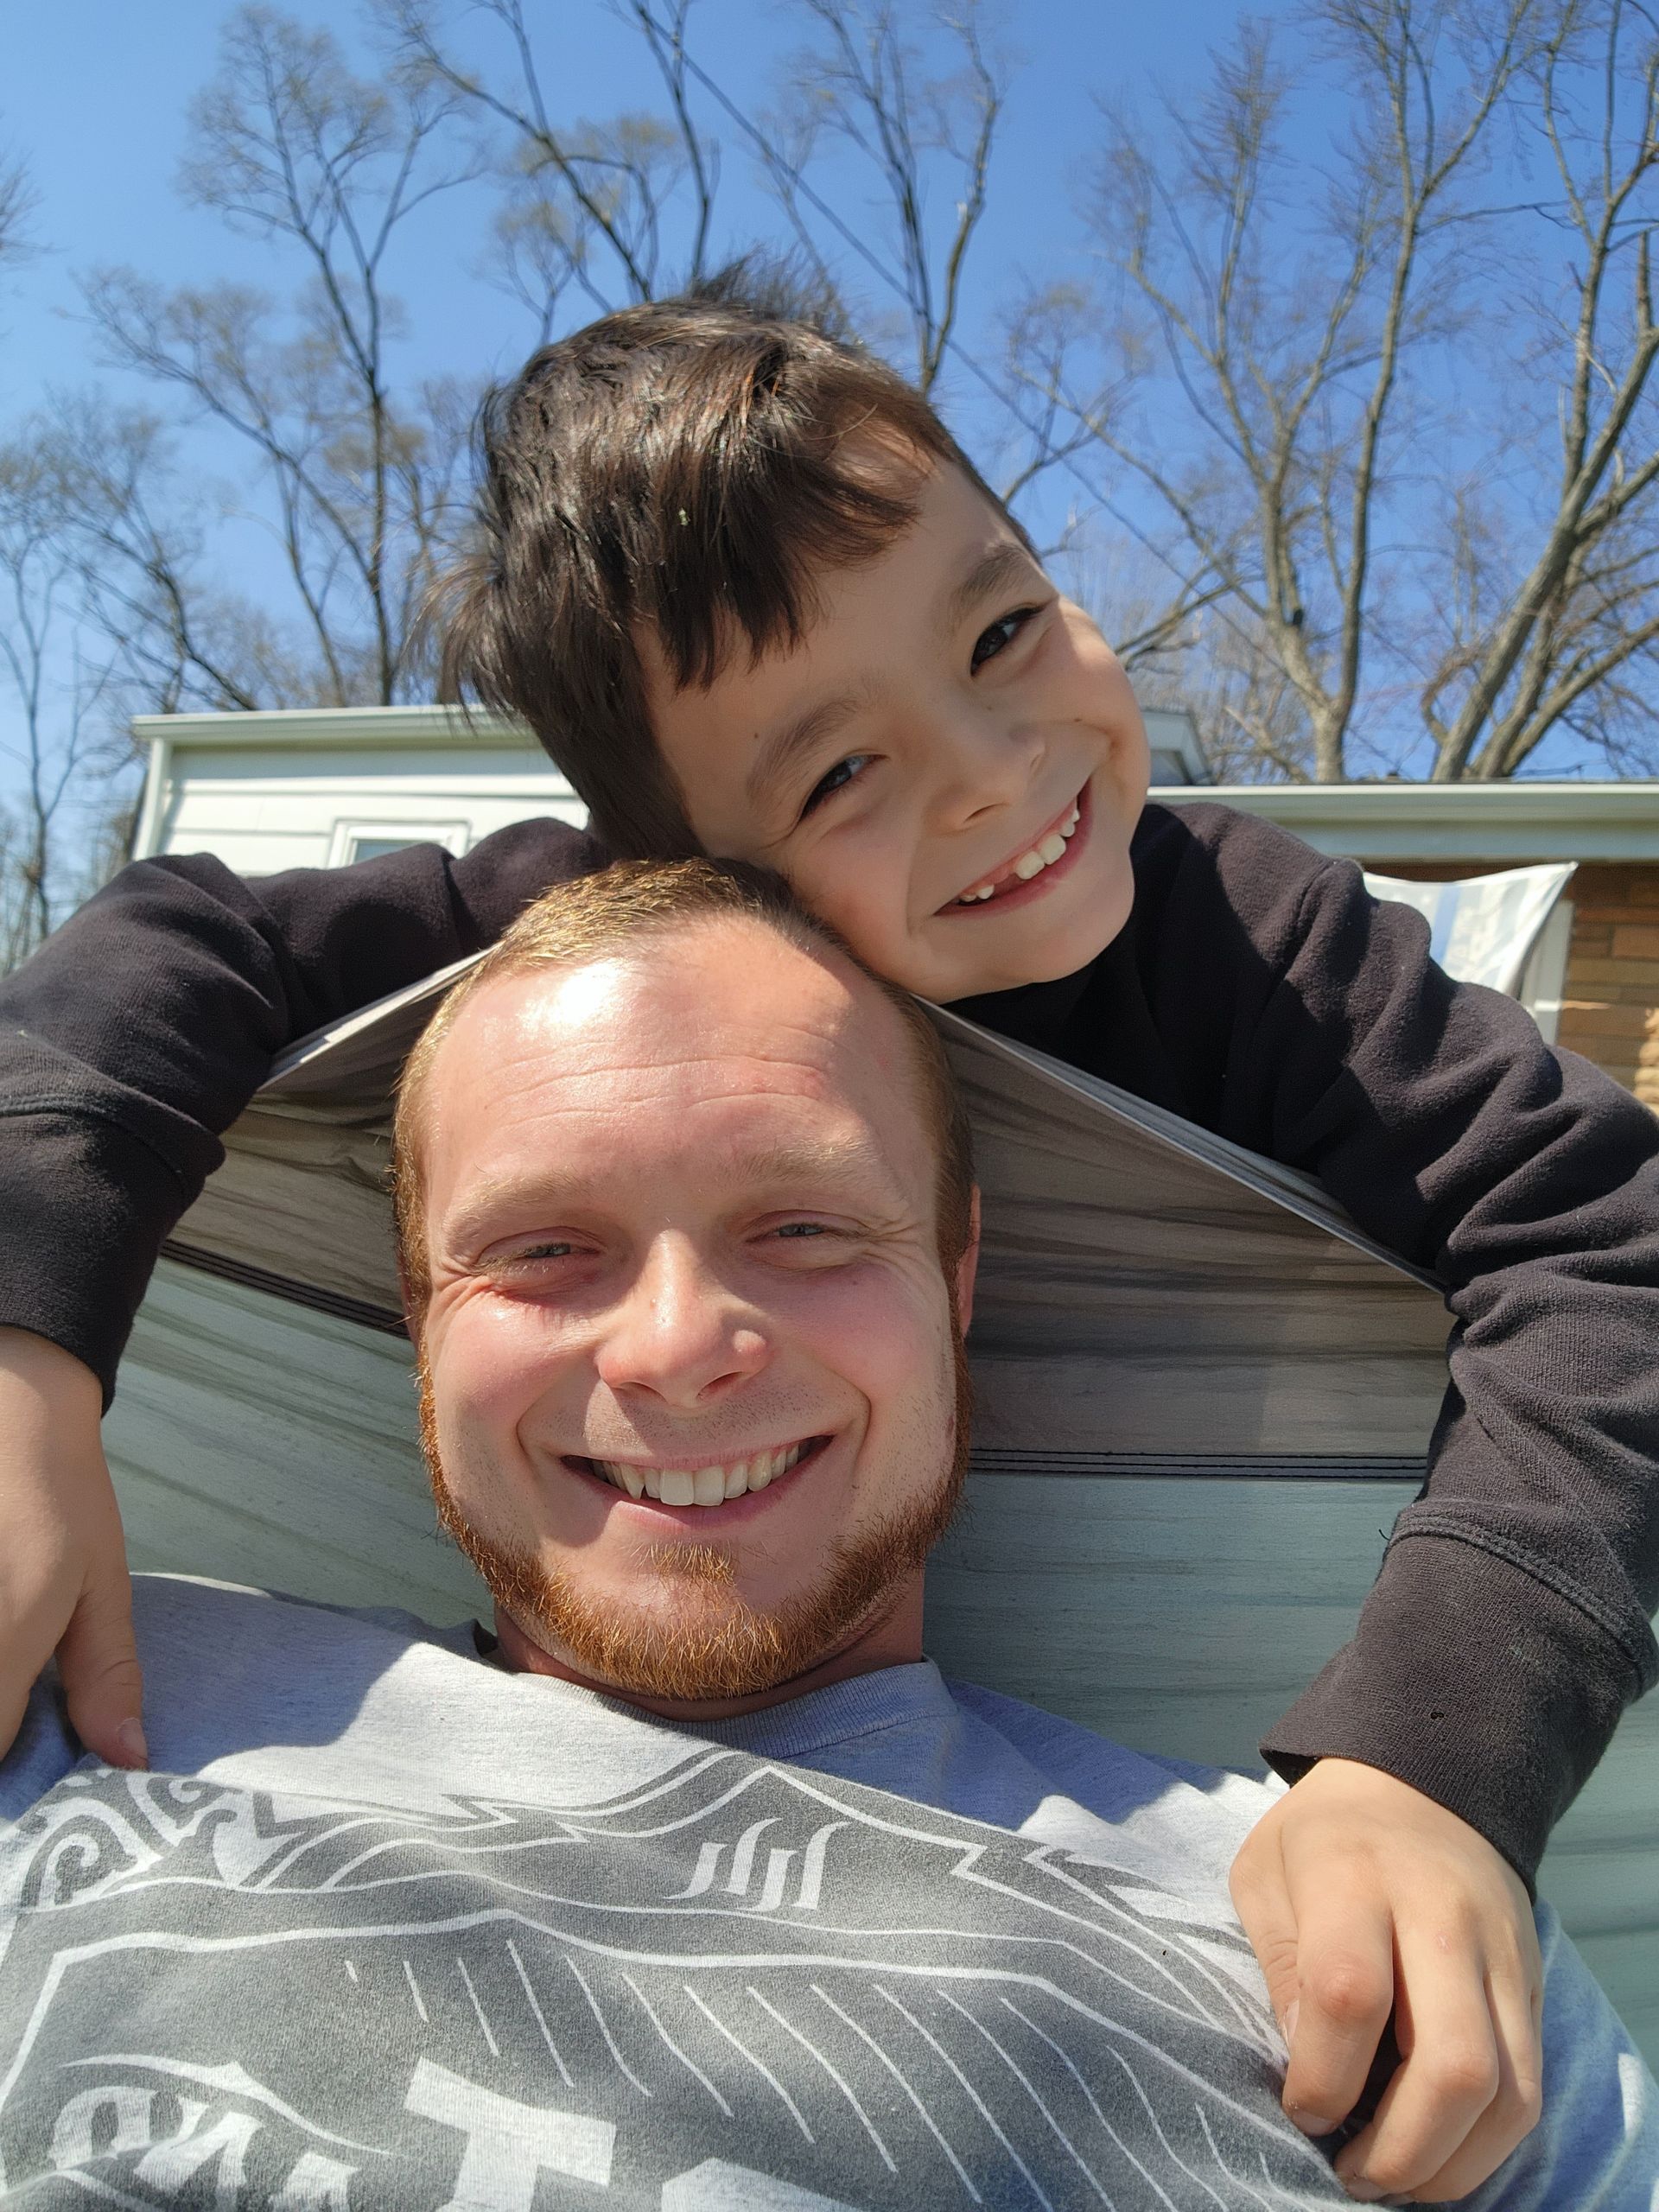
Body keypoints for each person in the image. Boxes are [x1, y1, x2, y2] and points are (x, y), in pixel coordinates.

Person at [1, 265, 1656, 2199]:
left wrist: (1433, 1759)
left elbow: (1608, 1227)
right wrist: (27, 1352)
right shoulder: (598, 921)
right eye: (843, 769)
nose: (996, 767)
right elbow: (184, 931)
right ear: (688, 859)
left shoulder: (1251, 937)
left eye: (1006, 628)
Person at [0, 858, 1651, 2212]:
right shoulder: (69, 1690)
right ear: (420, 1313)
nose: (674, 1348)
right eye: (543, 1249)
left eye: (801, 1223)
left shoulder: (1373, 1929)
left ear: (957, 1277)